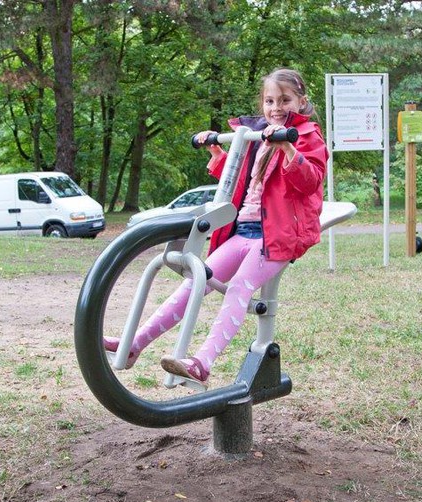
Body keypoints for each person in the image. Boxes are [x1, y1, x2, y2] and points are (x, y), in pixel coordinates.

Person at [104, 67, 328, 386]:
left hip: (277, 236)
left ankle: (202, 362)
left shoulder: (306, 136)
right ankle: (134, 345)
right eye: (269, 100)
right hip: (244, 231)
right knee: (196, 281)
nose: (276, 107)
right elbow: (242, 181)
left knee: (239, 287)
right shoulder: (258, 135)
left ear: (301, 101)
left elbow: (310, 182)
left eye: (285, 100)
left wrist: (288, 147)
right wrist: (219, 154)